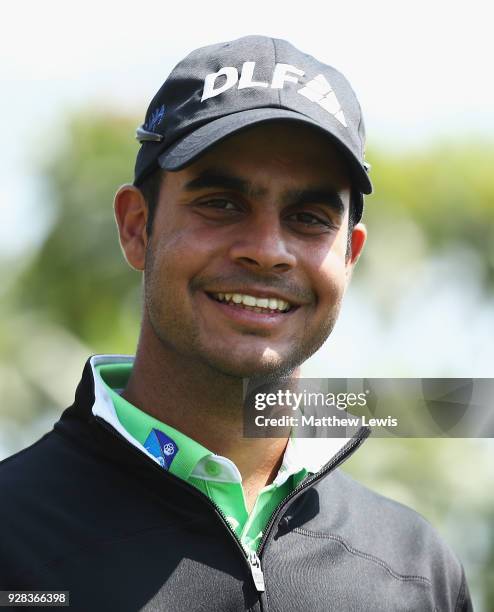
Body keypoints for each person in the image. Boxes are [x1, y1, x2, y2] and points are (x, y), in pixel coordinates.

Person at [0, 35, 472, 611]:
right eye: (222, 204)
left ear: (350, 255)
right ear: (135, 226)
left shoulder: (415, 570)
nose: (268, 250)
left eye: (308, 218)